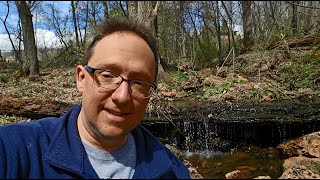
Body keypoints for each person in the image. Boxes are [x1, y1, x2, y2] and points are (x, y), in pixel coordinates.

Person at [0, 16, 191, 179]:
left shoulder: (171, 170)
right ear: (81, 78)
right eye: (107, 75)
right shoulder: (14, 150)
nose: (122, 96)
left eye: (139, 83)